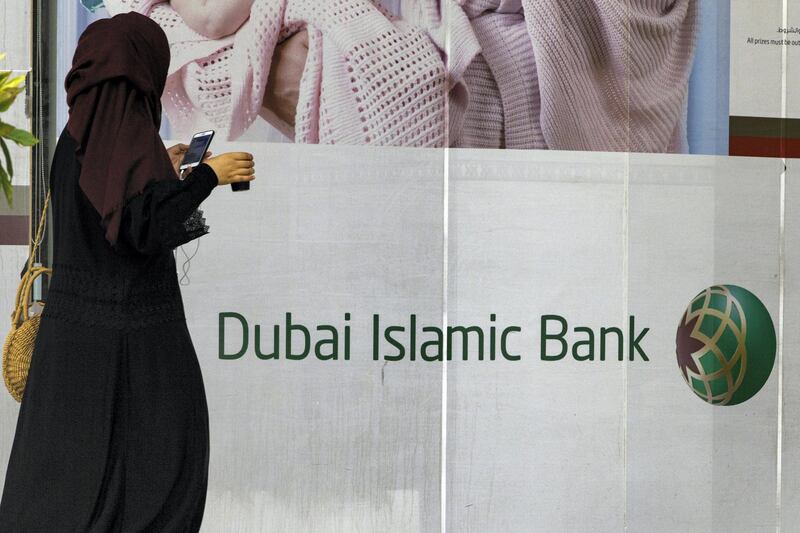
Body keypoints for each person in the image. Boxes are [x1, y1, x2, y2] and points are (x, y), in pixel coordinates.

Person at [0, 12, 254, 531]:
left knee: (64, 477)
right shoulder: (129, 136)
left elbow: (110, 198)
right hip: (137, 340)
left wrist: (163, 165)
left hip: (70, 347)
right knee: (161, 469)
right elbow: (145, 227)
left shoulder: (76, 137)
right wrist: (208, 176)